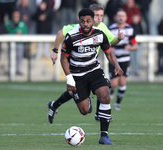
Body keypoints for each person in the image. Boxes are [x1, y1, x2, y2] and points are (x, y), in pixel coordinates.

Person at [48, 4, 125, 123]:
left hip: (92, 64)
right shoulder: (75, 29)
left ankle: (100, 115)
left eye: (101, 16)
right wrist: (55, 51)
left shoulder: (102, 28)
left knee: (102, 90)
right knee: (73, 92)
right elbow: (60, 34)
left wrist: (119, 38)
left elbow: (111, 42)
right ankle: (54, 104)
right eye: (97, 15)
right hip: (75, 65)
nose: (99, 18)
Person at [60, 8, 123, 145]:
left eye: (88, 21)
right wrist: (70, 78)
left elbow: (109, 54)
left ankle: (104, 136)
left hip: (94, 70)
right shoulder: (71, 37)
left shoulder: (100, 34)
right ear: (79, 22)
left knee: (105, 96)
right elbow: (63, 58)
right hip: (77, 74)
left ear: (93, 21)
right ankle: (86, 97)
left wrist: (117, 66)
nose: (86, 24)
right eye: (83, 21)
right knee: (85, 111)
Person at [108, 9, 138, 110]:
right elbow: (106, 43)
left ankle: (117, 103)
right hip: (113, 59)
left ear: (126, 18)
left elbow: (135, 45)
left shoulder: (130, 29)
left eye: (123, 16)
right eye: (119, 16)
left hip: (125, 59)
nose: (121, 17)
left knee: (122, 82)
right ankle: (111, 90)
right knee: (114, 83)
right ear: (116, 17)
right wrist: (110, 48)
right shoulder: (111, 29)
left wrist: (129, 47)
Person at [6, 9, 28, 75]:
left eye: (17, 15)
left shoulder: (22, 23)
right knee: (11, 57)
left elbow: (26, 31)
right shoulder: (9, 23)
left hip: (20, 43)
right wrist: (15, 33)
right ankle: (11, 70)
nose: (16, 17)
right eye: (14, 15)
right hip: (12, 43)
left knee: (19, 57)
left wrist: (21, 33)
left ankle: (18, 70)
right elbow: (7, 31)